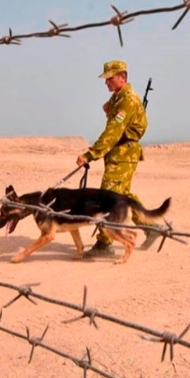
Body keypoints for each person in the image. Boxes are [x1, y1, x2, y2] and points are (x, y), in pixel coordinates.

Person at [75, 60, 162, 255]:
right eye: (105, 79)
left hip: (123, 154)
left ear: (122, 77)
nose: (106, 82)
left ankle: (104, 244)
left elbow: (113, 132)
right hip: (119, 154)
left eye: (110, 78)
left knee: (108, 199)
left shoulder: (128, 100)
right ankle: (150, 228)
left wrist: (91, 154)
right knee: (122, 196)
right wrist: (108, 108)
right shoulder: (118, 98)